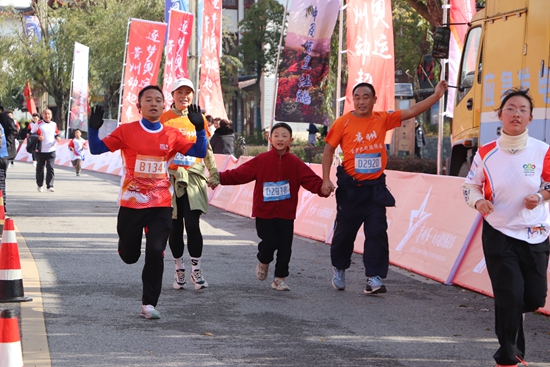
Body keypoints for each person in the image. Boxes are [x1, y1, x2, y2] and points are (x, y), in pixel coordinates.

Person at [88, 85, 208, 319]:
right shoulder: (126, 131)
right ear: (139, 107)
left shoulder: (172, 135)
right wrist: (93, 130)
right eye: (148, 100)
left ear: (164, 106)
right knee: (130, 256)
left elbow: (200, 152)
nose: (154, 103)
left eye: (158, 100)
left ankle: (148, 304)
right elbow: (95, 149)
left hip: (161, 203)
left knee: (155, 250)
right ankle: (126, 247)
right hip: (131, 204)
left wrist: (200, 128)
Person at [321, 80, 448, 294]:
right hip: (350, 189)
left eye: (366, 97)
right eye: (357, 97)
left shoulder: (382, 119)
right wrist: (325, 180)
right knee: (344, 234)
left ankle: (374, 278)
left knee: (378, 232)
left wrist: (436, 96)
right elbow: (328, 151)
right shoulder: (343, 122)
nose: (361, 101)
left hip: (375, 189)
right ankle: (339, 267)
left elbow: (412, 110)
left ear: (374, 100)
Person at [462, 88, 549, 367]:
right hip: (499, 231)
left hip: (535, 232)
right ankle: (508, 357)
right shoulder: (486, 154)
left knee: (533, 298)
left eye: (523, 110)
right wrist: (478, 202)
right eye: (511, 108)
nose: (516, 114)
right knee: (509, 292)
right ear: (499, 115)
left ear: (530, 118)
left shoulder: (543, 151)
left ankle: (513, 309)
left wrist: (541, 196)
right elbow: (470, 186)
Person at [216, 122, 331, 291]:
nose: (280, 139)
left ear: (291, 140)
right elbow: (239, 174)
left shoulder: (295, 162)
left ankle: (280, 278)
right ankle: (264, 261)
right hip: (264, 213)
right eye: (276, 135)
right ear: (270, 139)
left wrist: (323, 188)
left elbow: (310, 180)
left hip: (286, 214)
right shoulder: (261, 160)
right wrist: (218, 178)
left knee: (285, 247)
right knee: (269, 243)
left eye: (284, 136)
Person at [160, 78, 220, 291]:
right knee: (174, 228)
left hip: (193, 177)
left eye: (188, 92)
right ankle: (179, 270)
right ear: (172, 95)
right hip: (170, 179)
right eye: (180, 92)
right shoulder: (164, 119)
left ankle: (196, 270)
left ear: (193, 96)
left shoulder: (199, 118)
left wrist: (213, 173)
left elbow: (207, 148)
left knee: (193, 225)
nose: (184, 95)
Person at [32, 109, 61, 192]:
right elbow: (32, 134)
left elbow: (56, 133)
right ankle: (40, 184)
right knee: (40, 168)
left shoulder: (54, 124)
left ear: (51, 115)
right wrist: (38, 137)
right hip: (40, 150)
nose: (47, 116)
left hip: (51, 149)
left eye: (49, 114)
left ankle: (50, 186)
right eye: (45, 114)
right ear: (42, 115)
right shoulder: (38, 124)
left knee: (50, 167)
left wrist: (58, 137)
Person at [0, 111, 18, 211]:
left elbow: (13, 130)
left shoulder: (3, 117)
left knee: (1, 179)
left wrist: (6, 143)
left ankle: (2, 205)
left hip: (2, 155)